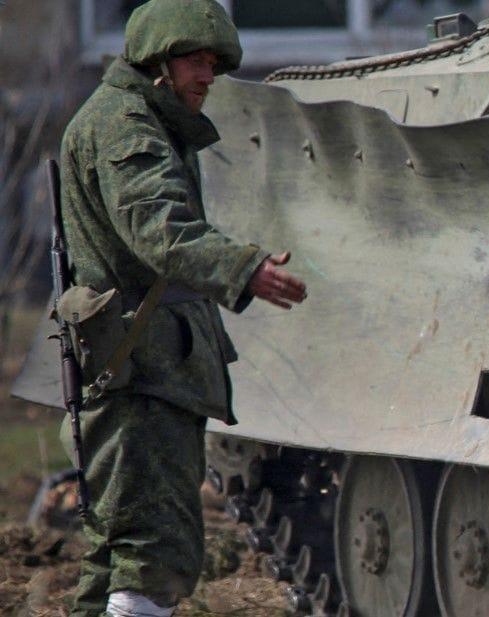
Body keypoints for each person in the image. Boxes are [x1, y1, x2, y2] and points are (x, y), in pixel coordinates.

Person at [57, 1, 307, 615]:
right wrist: (244, 269)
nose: (208, 76)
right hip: (141, 379)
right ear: (158, 62)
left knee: (118, 553)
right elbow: (159, 229)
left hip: (145, 370)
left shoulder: (142, 120)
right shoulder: (126, 128)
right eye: (196, 61)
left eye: (214, 64)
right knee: (153, 550)